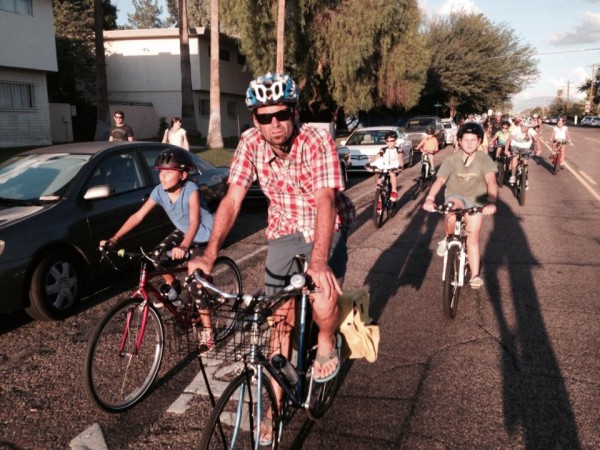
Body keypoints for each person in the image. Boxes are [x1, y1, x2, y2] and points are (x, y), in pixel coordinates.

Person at [188, 72, 354, 443]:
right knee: (279, 316)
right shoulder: (250, 143)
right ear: (254, 120)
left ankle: (326, 342)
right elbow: (232, 199)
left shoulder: (316, 140)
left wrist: (319, 260)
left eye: (282, 114)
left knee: (323, 290)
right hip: (283, 226)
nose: (274, 123)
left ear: (294, 112)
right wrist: (209, 254)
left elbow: (326, 200)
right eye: (265, 117)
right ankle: (274, 409)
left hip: (326, 221)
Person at [100, 149, 215, 349]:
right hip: (183, 232)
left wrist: (184, 246)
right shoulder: (159, 191)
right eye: (160, 171)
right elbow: (138, 216)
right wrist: (115, 239)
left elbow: (195, 220)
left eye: (169, 172)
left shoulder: (191, 190)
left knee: (195, 286)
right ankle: (175, 288)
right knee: (156, 257)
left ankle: (208, 330)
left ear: (183, 175)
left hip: (202, 236)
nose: (163, 175)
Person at [422, 122, 497, 289]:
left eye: (473, 139)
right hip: (456, 196)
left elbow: (491, 181)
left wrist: (491, 202)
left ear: (479, 141)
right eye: (466, 139)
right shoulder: (451, 159)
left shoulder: (484, 159)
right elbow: (440, 180)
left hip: (477, 201)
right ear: (459, 141)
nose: (469, 143)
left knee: (472, 238)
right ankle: (448, 239)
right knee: (449, 208)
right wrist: (430, 198)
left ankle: (475, 275)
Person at [365, 130, 402, 201]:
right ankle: (379, 200)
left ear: (395, 141)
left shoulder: (398, 149)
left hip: (394, 167)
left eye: (392, 141)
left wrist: (400, 166)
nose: (389, 143)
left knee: (392, 173)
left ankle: (394, 191)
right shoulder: (383, 149)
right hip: (385, 166)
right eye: (387, 141)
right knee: (379, 182)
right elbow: (377, 156)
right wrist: (370, 161)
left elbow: (400, 158)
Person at [504, 116, 541, 185]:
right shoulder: (517, 129)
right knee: (515, 157)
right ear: (521, 125)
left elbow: (537, 140)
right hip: (515, 145)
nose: (524, 128)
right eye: (523, 126)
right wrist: (506, 150)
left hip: (526, 147)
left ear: (529, 127)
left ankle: (525, 179)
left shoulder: (531, 131)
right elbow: (508, 140)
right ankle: (513, 175)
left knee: (525, 163)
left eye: (526, 127)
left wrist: (539, 149)